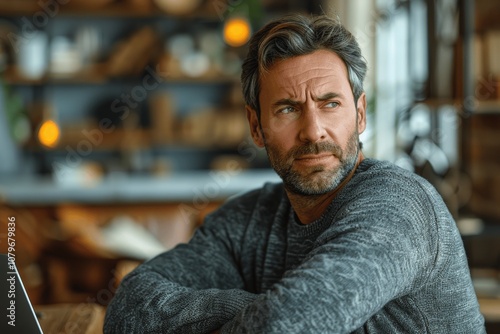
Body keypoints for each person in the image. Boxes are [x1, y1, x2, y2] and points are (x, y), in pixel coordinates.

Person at [104, 14, 485, 333]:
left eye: (330, 103)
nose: (313, 130)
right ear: (256, 127)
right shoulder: (248, 221)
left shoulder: (399, 206)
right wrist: (254, 308)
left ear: (361, 114)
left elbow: (288, 324)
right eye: (287, 109)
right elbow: (129, 309)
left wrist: (266, 313)